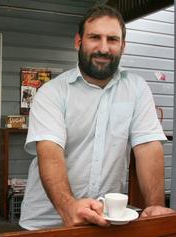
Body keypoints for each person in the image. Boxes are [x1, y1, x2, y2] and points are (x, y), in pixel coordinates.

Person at [19, 4, 175, 230]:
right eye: (94, 37)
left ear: (123, 46)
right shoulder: (52, 92)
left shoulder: (137, 88)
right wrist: (69, 208)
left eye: (112, 39)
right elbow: (50, 153)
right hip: (47, 222)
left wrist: (156, 207)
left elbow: (148, 147)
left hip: (108, 219)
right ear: (78, 42)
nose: (103, 48)